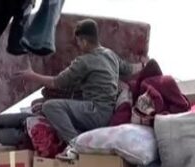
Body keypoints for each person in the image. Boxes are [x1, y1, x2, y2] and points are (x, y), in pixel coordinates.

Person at [16, 19, 144, 157]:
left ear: (83, 41)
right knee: (42, 103)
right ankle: (80, 140)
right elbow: (130, 69)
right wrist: (144, 64)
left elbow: (56, 82)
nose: (78, 45)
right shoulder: (110, 55)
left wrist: (32, 75)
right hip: (108, 113)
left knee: (50, 107)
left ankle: (76, 145)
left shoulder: (84, 61)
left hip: (96, 112)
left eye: (78, 42)